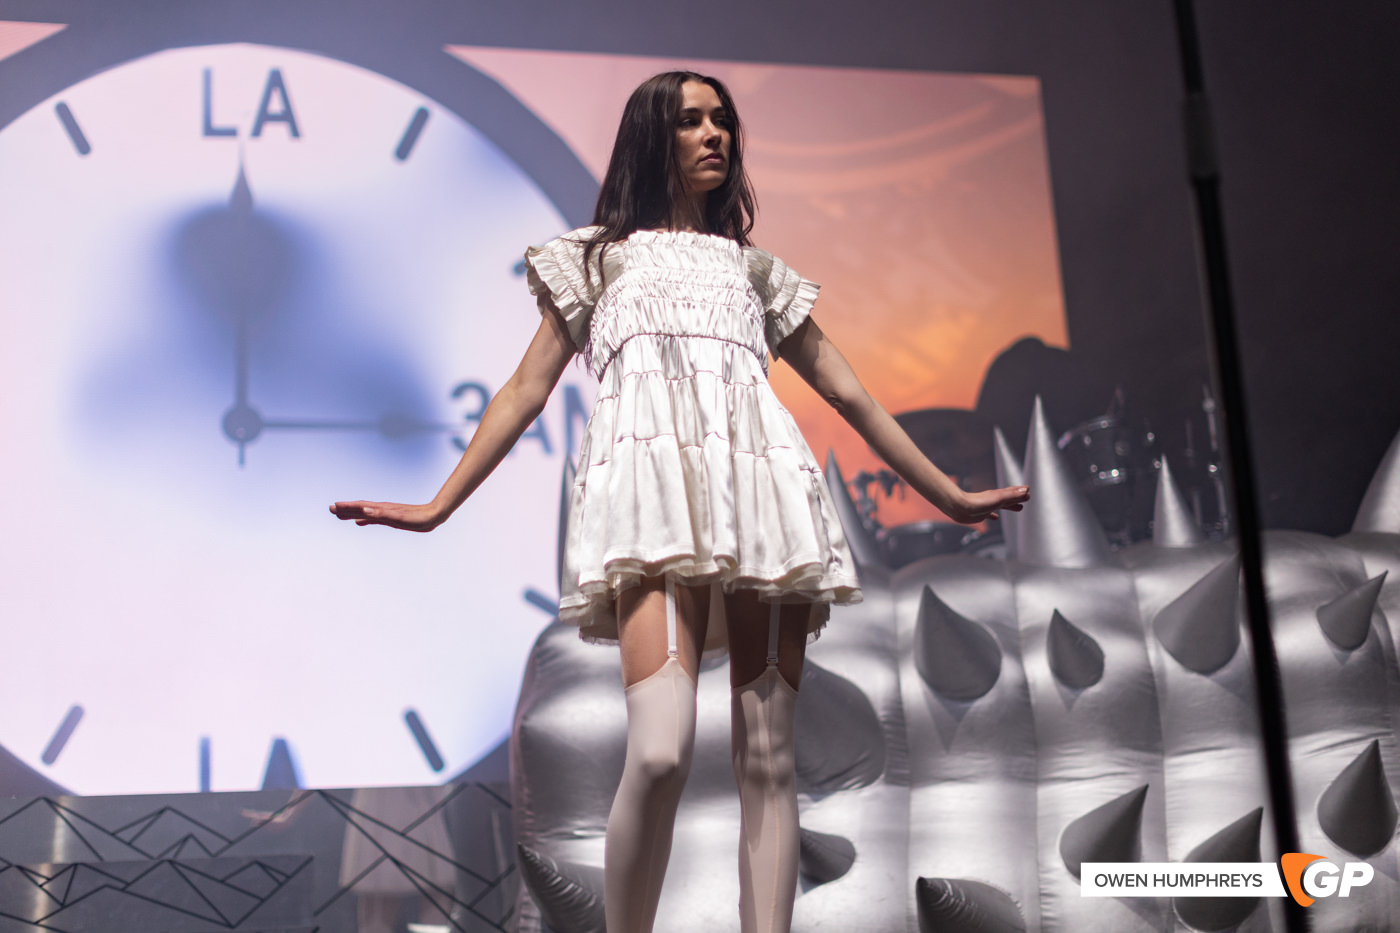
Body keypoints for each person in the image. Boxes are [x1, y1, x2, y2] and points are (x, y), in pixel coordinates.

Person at [332, 71, 1030, 933]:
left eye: (723, 121)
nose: (715, 135)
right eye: (692, 120)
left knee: (770, 760)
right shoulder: (595, 257)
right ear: (651, 136)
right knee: (659, 751)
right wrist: (437, 506)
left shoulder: (758, 272)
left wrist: (950, 495)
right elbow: (522, 390)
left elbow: (854, 397)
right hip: (653, 509)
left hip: (762, 497)